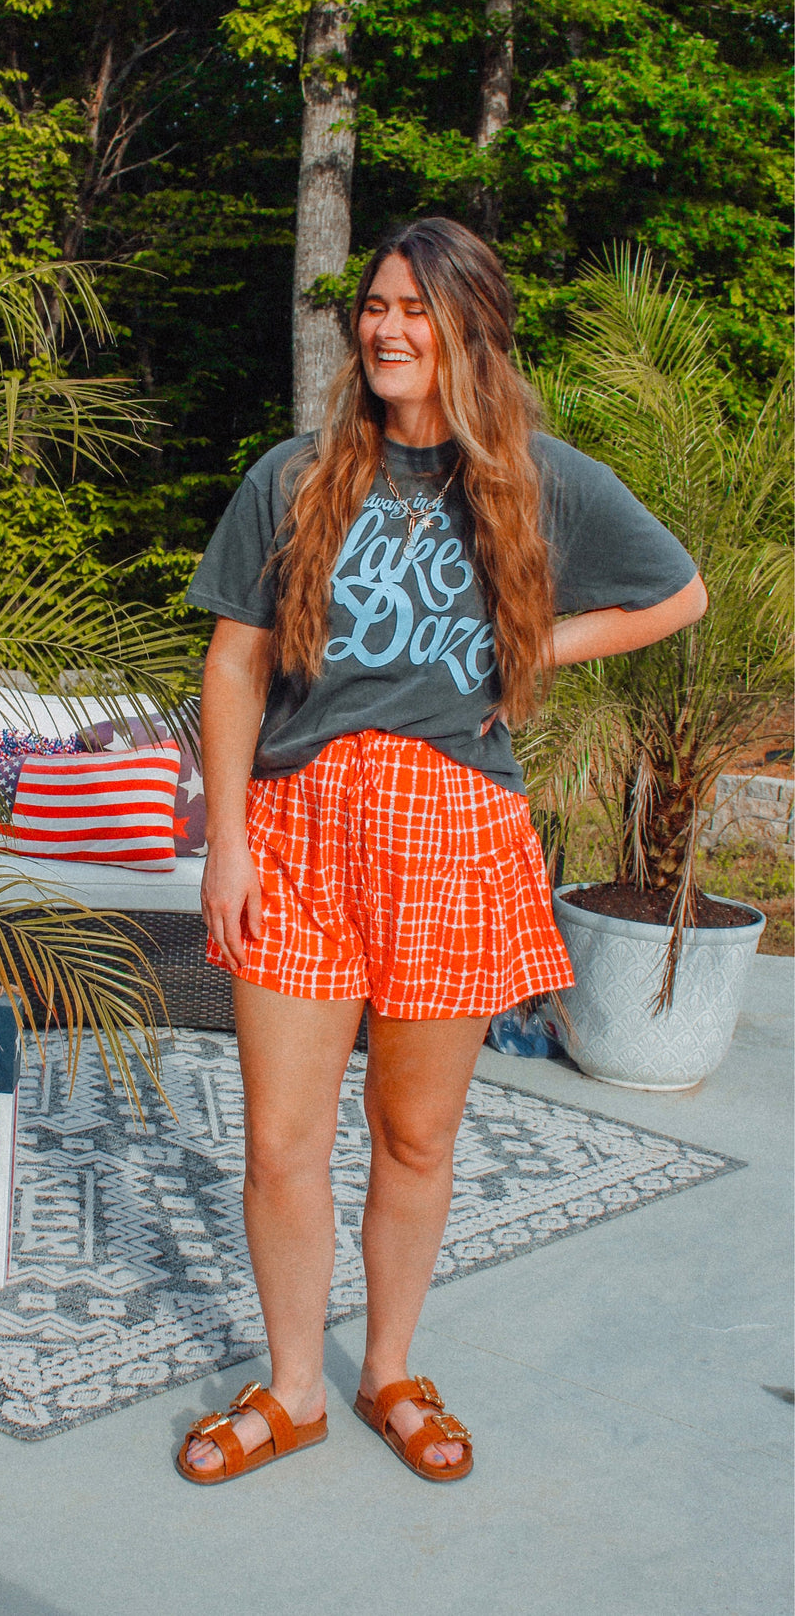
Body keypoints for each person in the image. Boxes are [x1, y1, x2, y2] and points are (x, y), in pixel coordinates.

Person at [176, 217, 707, 1485]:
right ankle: (294, 1385)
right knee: (280, 1141)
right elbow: (236, 662)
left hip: (454, 835)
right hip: (301, 830)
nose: (388, 327)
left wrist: (532, 655)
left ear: (469, 326)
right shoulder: (297, 475)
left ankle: (389, 1369)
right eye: (375, 304)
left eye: (417, 307)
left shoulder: (534, 477)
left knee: (415, 1134)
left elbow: (676, 593)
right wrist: (228, 839)